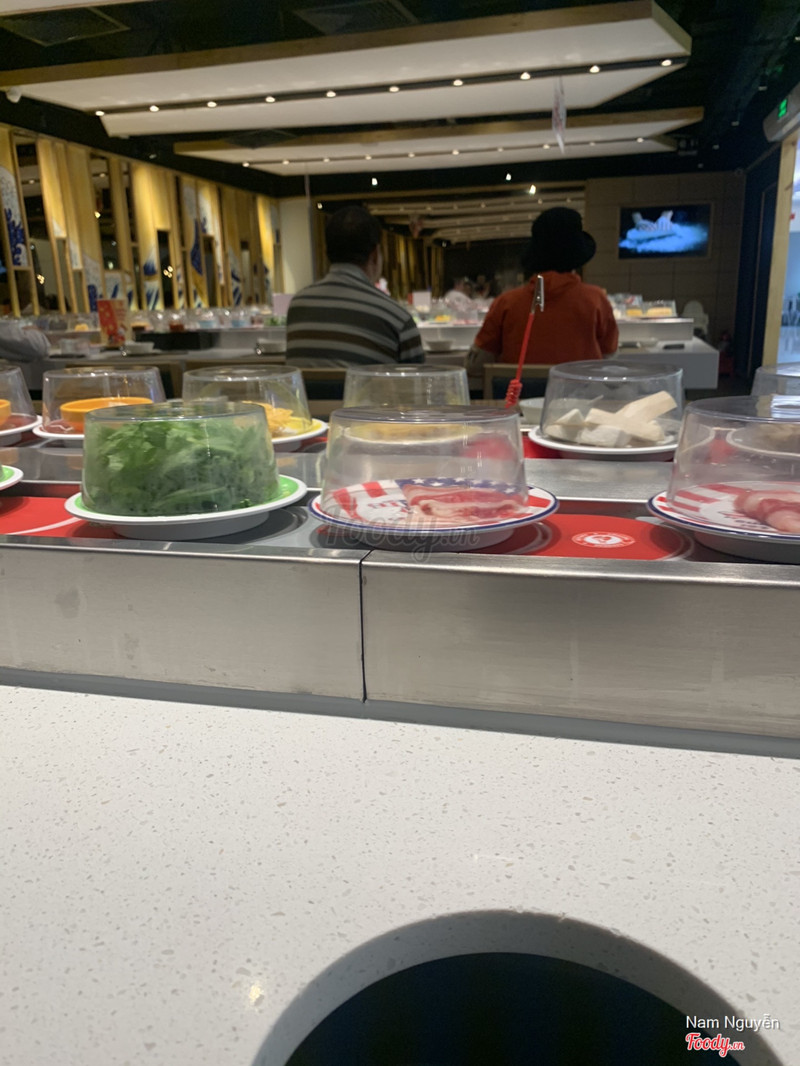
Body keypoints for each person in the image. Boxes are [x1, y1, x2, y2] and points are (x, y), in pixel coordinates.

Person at [466, 208, 618, 375]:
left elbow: (475, 366)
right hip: (581, 392)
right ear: (578, 256)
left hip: (519, 392)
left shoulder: (506, 303)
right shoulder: (596, 300)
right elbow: (609, 359)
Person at [287, 206, 424, 365]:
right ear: (375, 255)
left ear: (327, 253)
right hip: (370, 384)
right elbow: (418, 377)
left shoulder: (297, 306)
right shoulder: (397, 318)